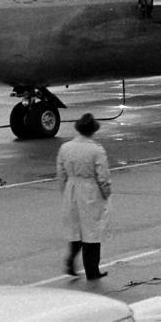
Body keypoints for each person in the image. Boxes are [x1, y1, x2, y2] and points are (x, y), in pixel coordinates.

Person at [56, 113, 111, 280]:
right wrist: (106, 193)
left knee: (76, 229)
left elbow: (61, 173)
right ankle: (92, 270)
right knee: (92, 232)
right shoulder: (96, 149)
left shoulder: (65, 147)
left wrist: (65, 190)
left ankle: (71, 261)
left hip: (71, 188)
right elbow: (103, 175)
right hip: (90, 190)